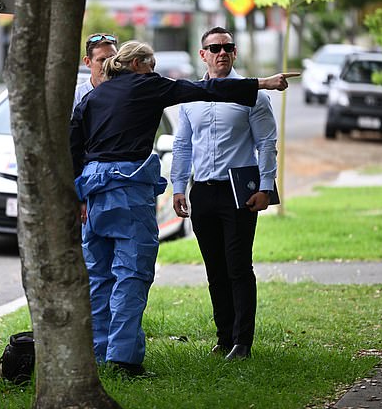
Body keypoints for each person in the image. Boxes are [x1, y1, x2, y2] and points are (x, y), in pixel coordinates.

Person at [70, 40, 292, 376]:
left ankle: (97, 355)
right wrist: (262, 83)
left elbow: (74, 146)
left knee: (99, 277)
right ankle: (123, 359)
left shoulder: (92, 97)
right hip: (128, 190)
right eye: (151, 64)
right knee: (132, 274)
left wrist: (77, 197)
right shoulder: (146, 85)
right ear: (137, 64)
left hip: (92, 191)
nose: (154, 71)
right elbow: (205, 89)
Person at [171, 26, 283, 361]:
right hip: (202, 193)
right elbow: (182, 144)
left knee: (238, 266)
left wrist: (266, 187)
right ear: (202, 54)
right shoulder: (191, 95)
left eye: (228, 47)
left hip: (239, 193)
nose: (222, 53)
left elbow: (266, 144)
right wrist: (179, 186)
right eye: (214, 48)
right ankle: (223, 337)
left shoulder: (252, 95)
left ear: (234, 53)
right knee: (215, 270)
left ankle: (242, 343)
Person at [73, 33, 118, 108]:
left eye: (112, 59)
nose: (108, 65)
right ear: (87, 61)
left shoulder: (126, 93)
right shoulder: (76, 96)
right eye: (102, 60)